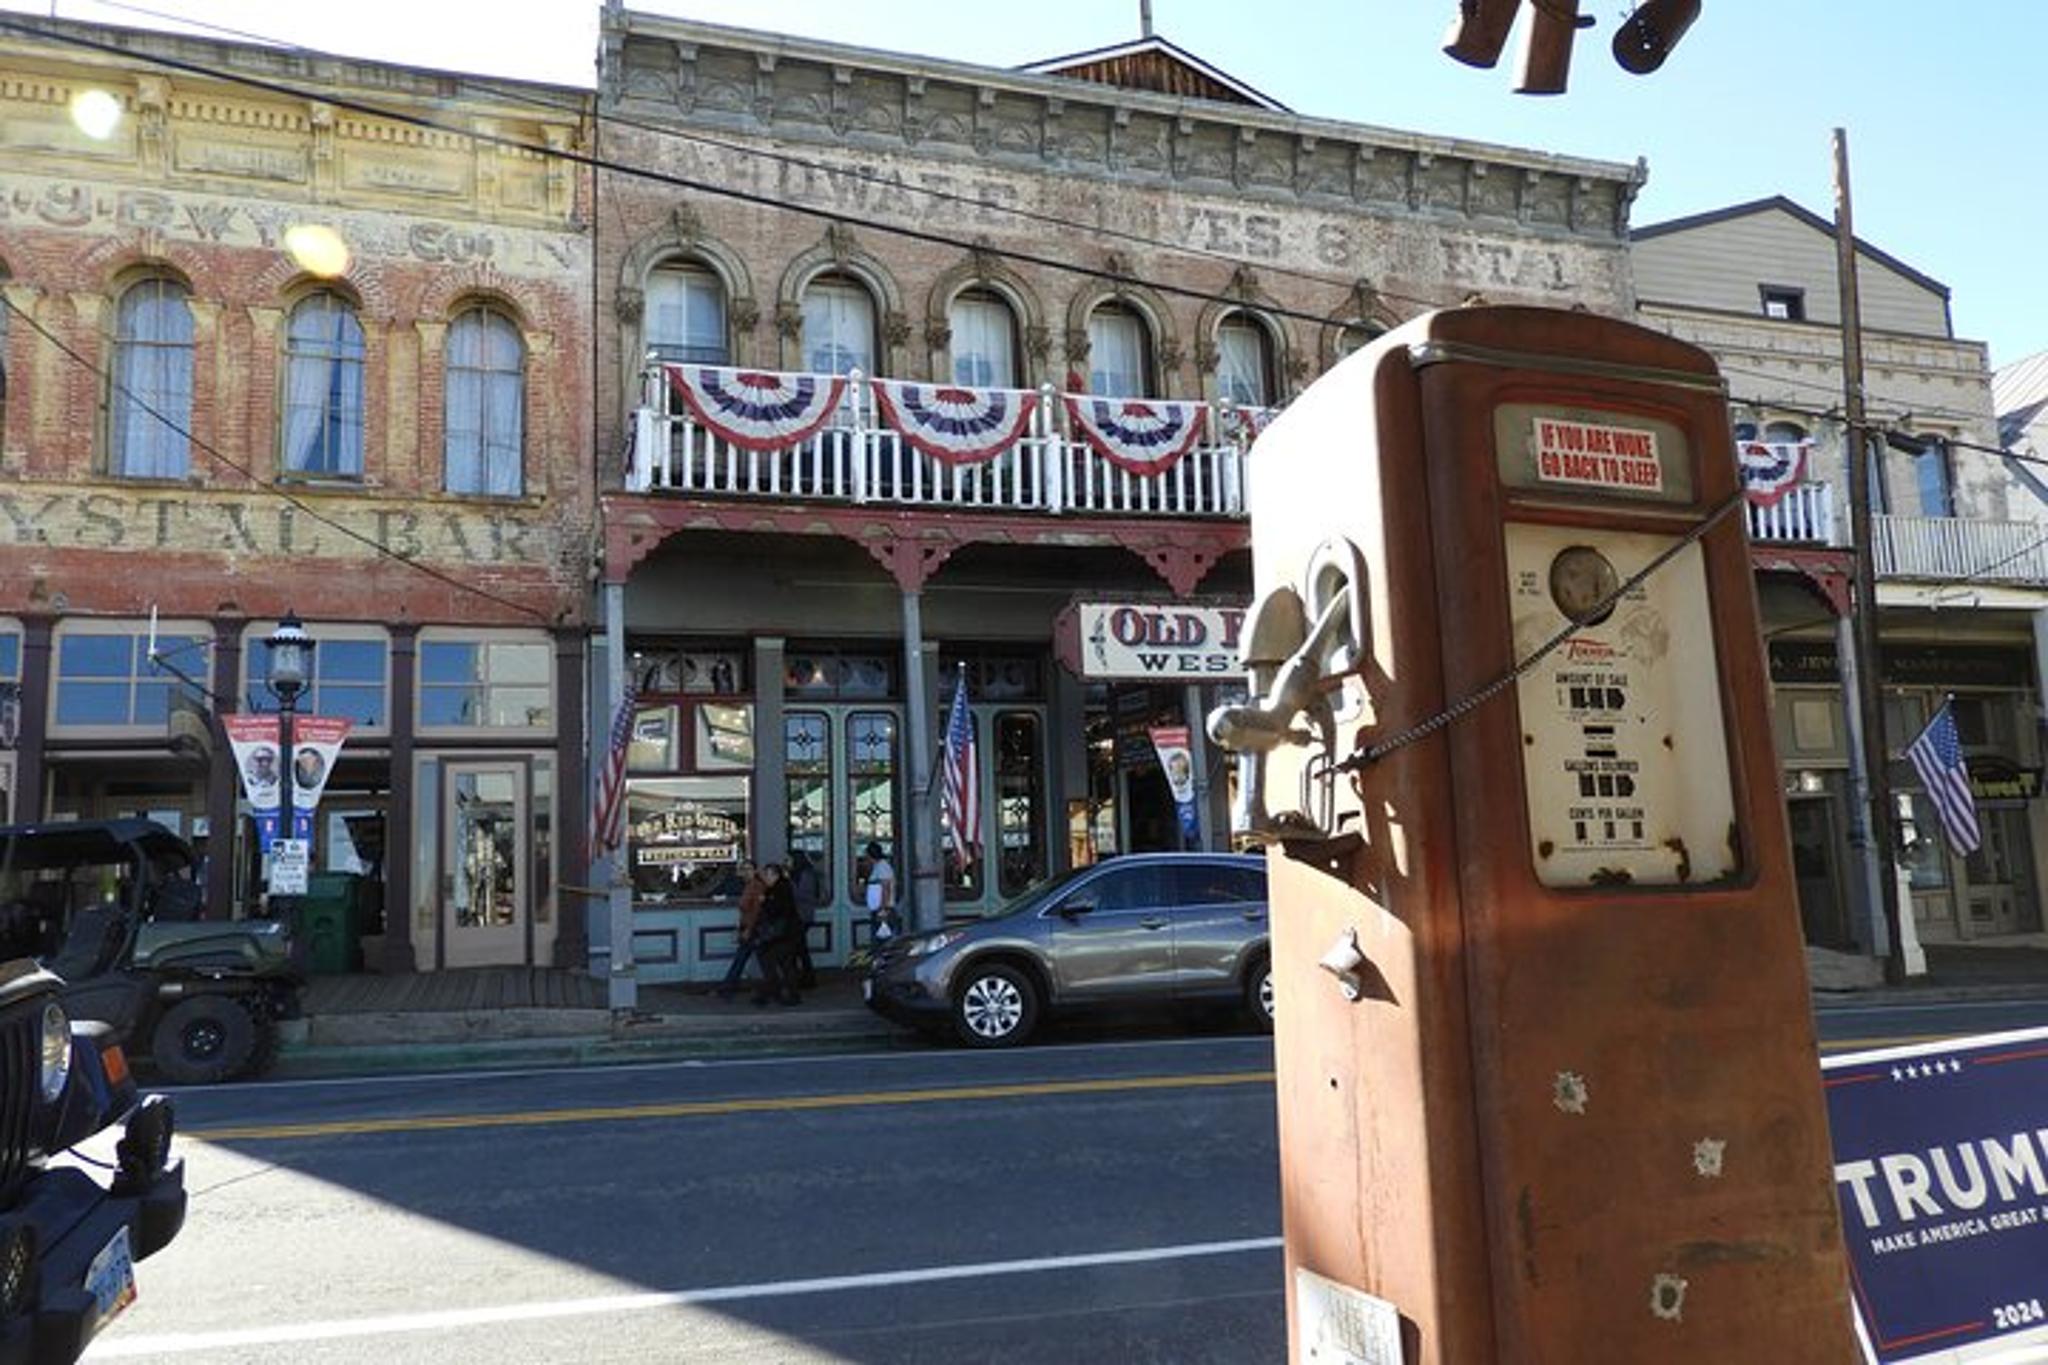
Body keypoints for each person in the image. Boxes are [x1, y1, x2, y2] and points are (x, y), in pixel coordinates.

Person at [750, 863, 803, 1007]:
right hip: (786, 933)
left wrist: (765, 901)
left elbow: (779, 910)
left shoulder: (779, 890)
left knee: (770, 961)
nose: (765, 878)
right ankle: (787, 994)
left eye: (767, 875)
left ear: (775, 875)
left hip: (783, 934)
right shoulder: (778, 888)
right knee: (785, 965)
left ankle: (772, 993)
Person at [715, 860, 766, 998]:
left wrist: (749, 929)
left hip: (753, 927)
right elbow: (745, 909)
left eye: (749, 869)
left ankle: (727, 987)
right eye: (744, 869)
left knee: (744, 958)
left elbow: (756, 910)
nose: (746, 872)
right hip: (748, 926)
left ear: (755, 871)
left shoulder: (756, 886)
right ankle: (728, 986)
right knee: (750, 958)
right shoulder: (748, 886)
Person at [788, 849, 823, 989]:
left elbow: (803, 895)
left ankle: (804, 979)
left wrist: (789, 884)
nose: (788, 862)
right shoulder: (800, 874)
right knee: (800, 949)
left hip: (802, 915)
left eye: (790, 859)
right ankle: (806, 979)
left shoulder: (806, 875)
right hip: (799, 915)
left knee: (798, 949)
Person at [863, 840, 899, 942]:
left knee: (884, 942)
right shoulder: (877, 867)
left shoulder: (883, 867)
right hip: (879, 910)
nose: (866, 858)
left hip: (884, 912)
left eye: (867, 855)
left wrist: (882, 909)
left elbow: (885, 888)